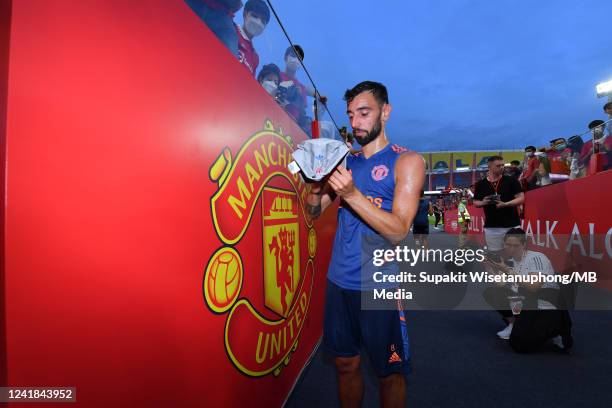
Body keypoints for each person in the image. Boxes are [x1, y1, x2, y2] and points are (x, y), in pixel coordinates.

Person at [305, 81, 424, 408]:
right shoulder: (346, 161)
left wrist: (353, 195)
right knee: (345, 364)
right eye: (350, 114)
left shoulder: (407, 161)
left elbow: (399, 231)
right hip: (339, 282)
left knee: (390, 374)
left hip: (379, 288)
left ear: (385, 112)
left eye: (364, 113)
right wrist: (316, 187)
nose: (355, 122)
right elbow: (312, 212)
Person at [482, 228, 573, 353]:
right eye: (508, 245)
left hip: (546, 306)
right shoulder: (510, 261)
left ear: (524, 245)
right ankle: (514, 324)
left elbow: (533, 286)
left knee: (520, 344)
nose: (511, 249)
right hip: (528, 303)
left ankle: (558, 327)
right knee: (493, 293)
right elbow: (501, 283)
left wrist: (507, 270)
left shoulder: (536, 258)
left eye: (516, 246)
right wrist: (490, 270)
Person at [473, 156, 524, 253]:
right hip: (492, 227)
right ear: (490, 166)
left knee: (517, 254)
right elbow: (476, 202)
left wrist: (506, 204)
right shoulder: (481, 184)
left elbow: (521, 198)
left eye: (502, 165)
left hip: (512, 225)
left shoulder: (511, 180)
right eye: (498, 165)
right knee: (496, 255)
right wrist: (484, 202)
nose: (501, 167)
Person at [235, 0, 270, 75]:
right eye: (254, 16)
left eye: (263, 21)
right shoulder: (231, 30)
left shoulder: (255, 57)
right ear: (245, 14)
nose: (258, 22)